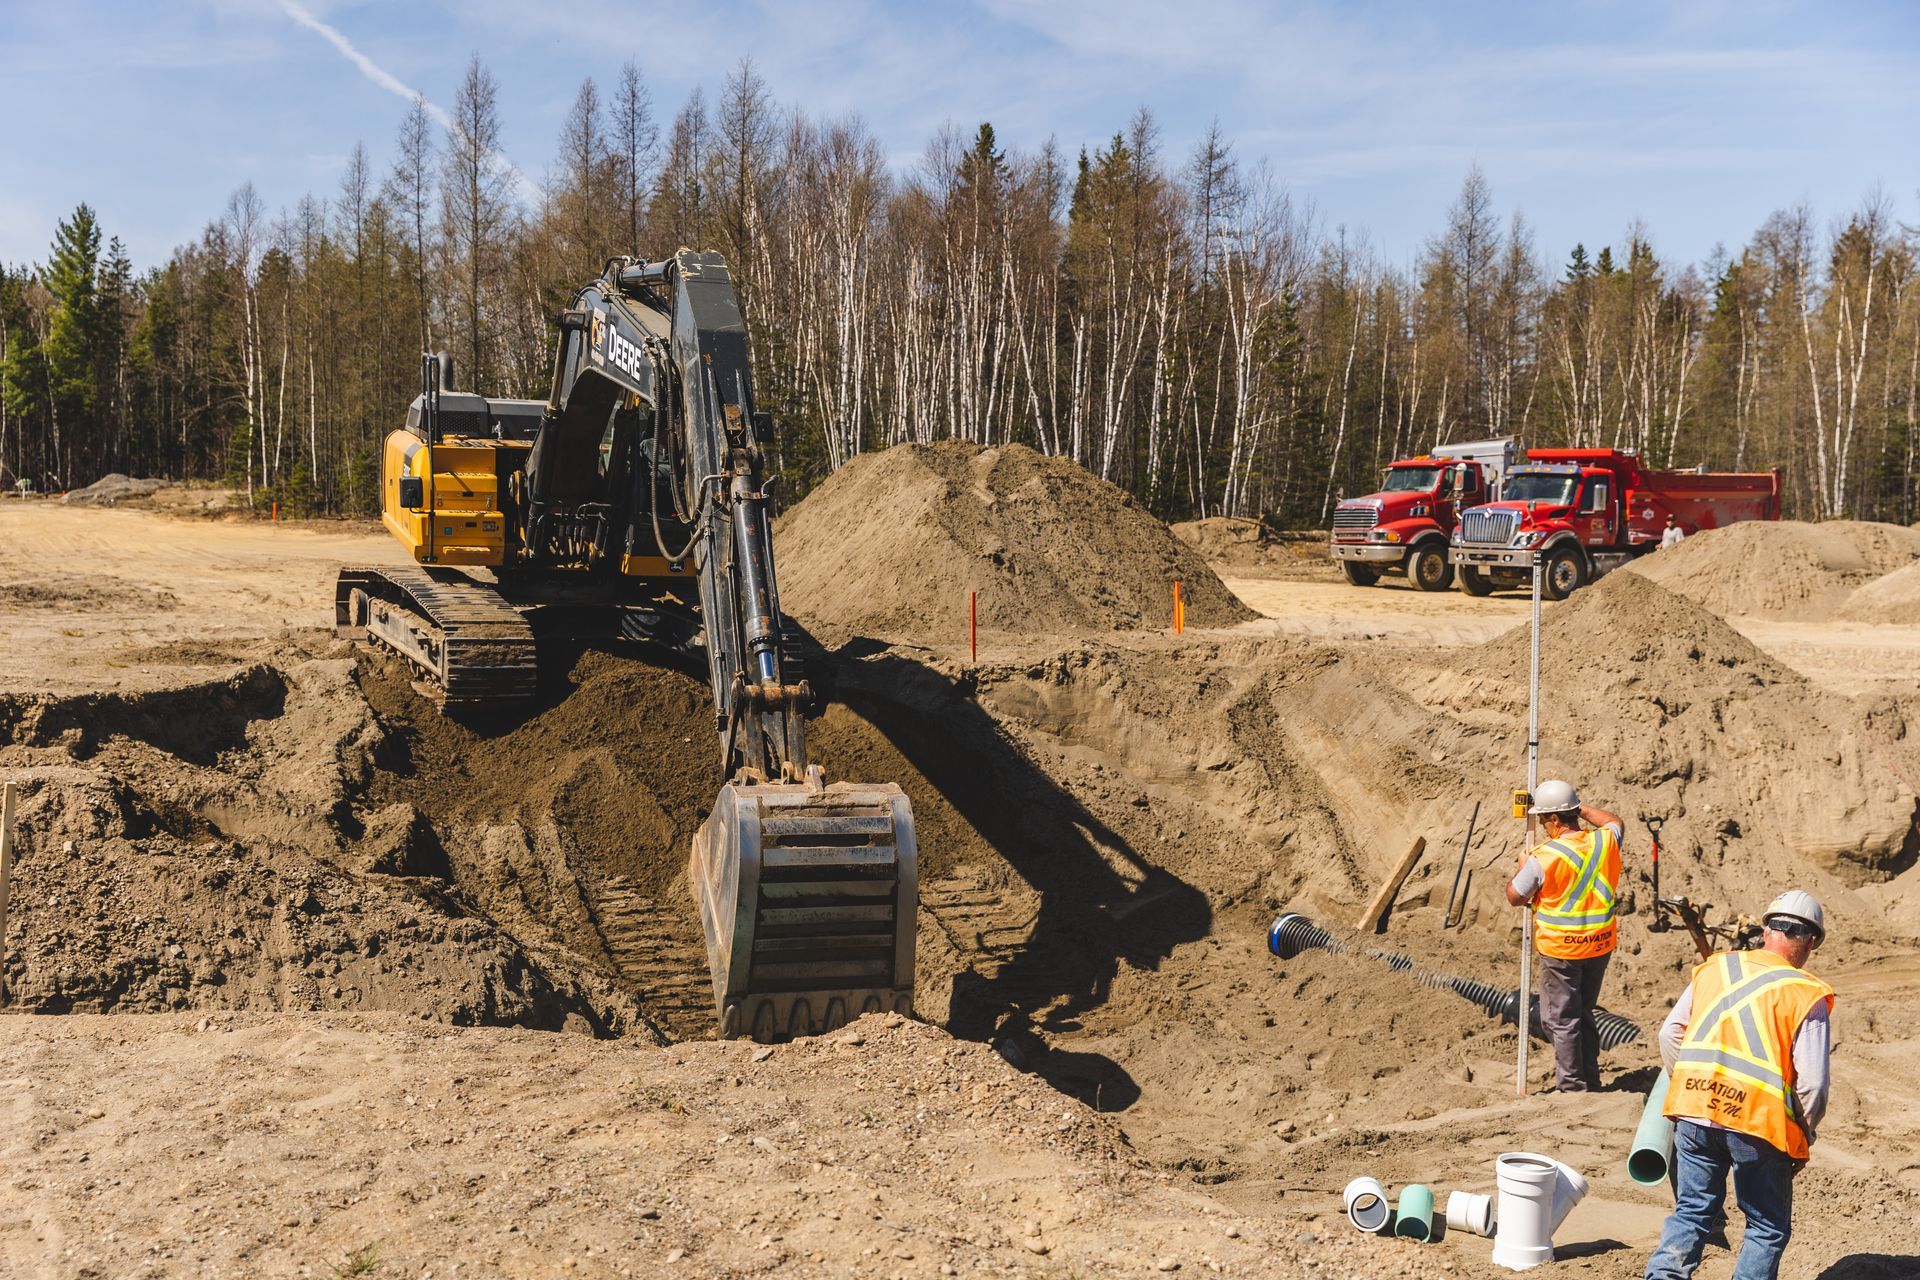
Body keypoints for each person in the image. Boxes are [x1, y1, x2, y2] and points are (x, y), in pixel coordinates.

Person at [1643, 891, 1834, 1280]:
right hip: (1758, 1128)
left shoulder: (1716, 968)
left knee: (1692, 1212)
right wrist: (1801, 1132)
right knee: (1766, 1228)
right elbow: (1813, 1085)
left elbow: (1669, 1034)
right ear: (1811, 941)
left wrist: (1690, 1084)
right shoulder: (1805, 992)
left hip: (1694, 1113)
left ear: (1766, 930)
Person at [1505, 780, 1623, 1092]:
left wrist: (1522, 866)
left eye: (1544, 819)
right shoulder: (1604, 842)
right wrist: (1576, 806)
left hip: (1562, 949)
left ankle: (1572, 1087)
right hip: (1599, 945)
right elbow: (1614, 821)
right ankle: (1590, 1079)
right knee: (1582, 1012)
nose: (1542, 825)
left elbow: (1516, 896)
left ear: (1556, 820)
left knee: (1560, 1019)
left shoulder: (1542, 857)